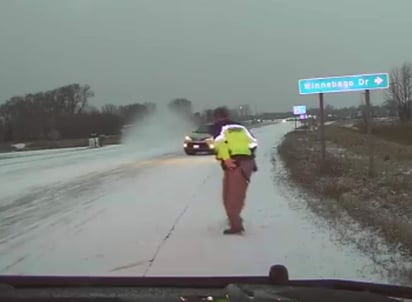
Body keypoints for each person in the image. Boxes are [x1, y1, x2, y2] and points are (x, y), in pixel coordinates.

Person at [210, 106, 258, 235]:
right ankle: (235, 219)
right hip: (245, 163)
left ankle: (236, 225)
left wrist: (226, 159)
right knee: (233, 195)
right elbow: (253, 143)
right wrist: (250, 158)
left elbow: (220, 144)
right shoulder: (240, 127)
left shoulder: (218, 127)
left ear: (216, 117)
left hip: (235, 163)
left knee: (231, 197)